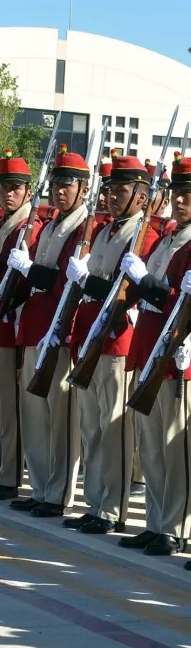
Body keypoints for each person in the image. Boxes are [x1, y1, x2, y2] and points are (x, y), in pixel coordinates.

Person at [64, 155, 159, 534]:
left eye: (121, 190)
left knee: (114, 427)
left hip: (117, 340)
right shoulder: (105, 231)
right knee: (92, 428)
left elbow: (129, 293)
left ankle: (113, 507)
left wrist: (87, 281)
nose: (113, 196)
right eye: (111, 189)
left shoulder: (144, 235)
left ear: (141, 195)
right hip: (89, 335)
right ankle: (96, 502)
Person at [6, 151, 90, 517]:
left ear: (83, 189)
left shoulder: (82, 230)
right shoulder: (54, 225)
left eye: (66, 184)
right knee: (36, 415)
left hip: (59, 327)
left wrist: (32, 271)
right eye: (55, 183)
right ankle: (41, 488)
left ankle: (59, 493)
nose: (58, 190)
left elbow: (62, 281)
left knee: (59, 418)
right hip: (36, 324)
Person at [120, 156, 191, 556]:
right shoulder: (166, 238)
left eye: (188, 195)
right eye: (177, 194)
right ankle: (155, 521)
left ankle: (176, 525)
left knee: (172, 444)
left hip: (176, 355)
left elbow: (176, 301)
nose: (180, 202)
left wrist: (146, 281)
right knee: (151, 447)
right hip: (148, 347)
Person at [0, 152, 41, 502]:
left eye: (15, 188)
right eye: (4, 187)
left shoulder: (30, 227)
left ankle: (9, 474)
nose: (8, 193)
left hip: (9, 322)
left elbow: (18, 281)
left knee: (8, 406)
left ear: (29, 191)